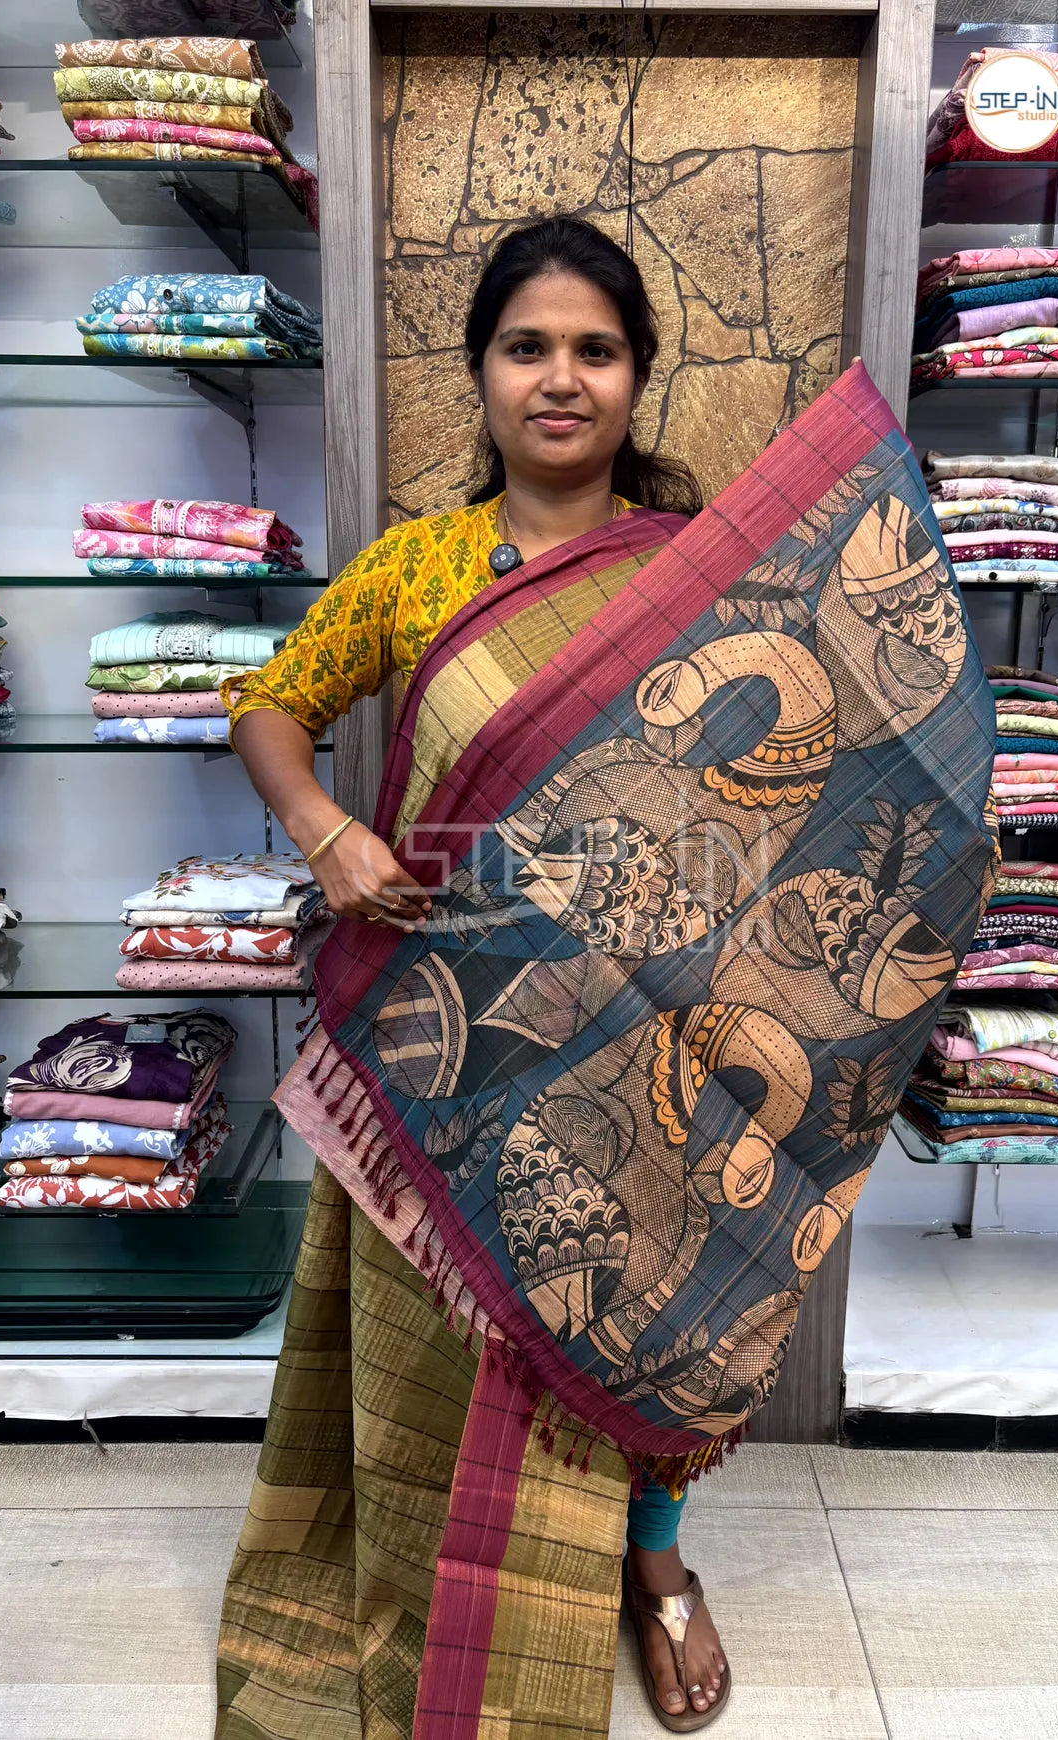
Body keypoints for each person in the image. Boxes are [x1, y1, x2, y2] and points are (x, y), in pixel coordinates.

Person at [217, 215, 731, 1736]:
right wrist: (323, 832)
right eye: (528, 347)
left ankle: (649, 1567)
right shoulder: (418, 564)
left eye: (595, 349)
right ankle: (442, 1556)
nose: (560, 379)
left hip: (632, 1023)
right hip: (440, 1033)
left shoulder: (695, 572)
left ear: (637, 378)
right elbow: (271, 704)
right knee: (448, 1326)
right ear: (482, 372)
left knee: (638, 1305)